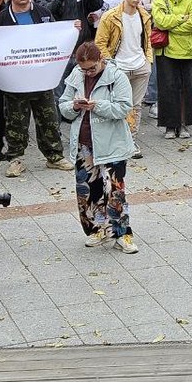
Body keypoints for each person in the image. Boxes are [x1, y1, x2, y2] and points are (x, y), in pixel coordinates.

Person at [0, 0, 74, 177]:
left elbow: (55, 38)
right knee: (16, 121)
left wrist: (71, 31)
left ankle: (54, 156)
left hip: (42, 78)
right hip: (15, 81)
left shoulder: (43, 13)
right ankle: (15, 158)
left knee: (49, 118)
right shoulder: (0, 19)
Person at [59, 42, 137, 253]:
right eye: (84, 69)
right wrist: (74, 105)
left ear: (101, 59)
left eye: (92, 68)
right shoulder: (76, 75)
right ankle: (97, 229)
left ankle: (122, 233)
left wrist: (98, 106)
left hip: (112, 142)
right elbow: (63, 105)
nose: (88, 72)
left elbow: (123, 108)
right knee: (87, 189)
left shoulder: (116, 76)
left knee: (115, 189)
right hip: (84, 142)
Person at [94, 0, 152, 154]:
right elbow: (100, 43)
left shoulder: (144, 15)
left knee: (136, 105)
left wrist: (148, 60)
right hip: (120, 67)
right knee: (118, 105)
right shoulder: (111, 16)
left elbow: (147, 39)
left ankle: (131, 141)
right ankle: (116, 140)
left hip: (140, 65)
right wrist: (112, 64)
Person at [152, 0, 192, 140]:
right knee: (167, 89)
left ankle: (185, 124)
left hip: (188, 50)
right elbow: (159, 22)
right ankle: (169, 126)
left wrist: (171, 23)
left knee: (188, 88)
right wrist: (181, 17)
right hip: (167, 51)